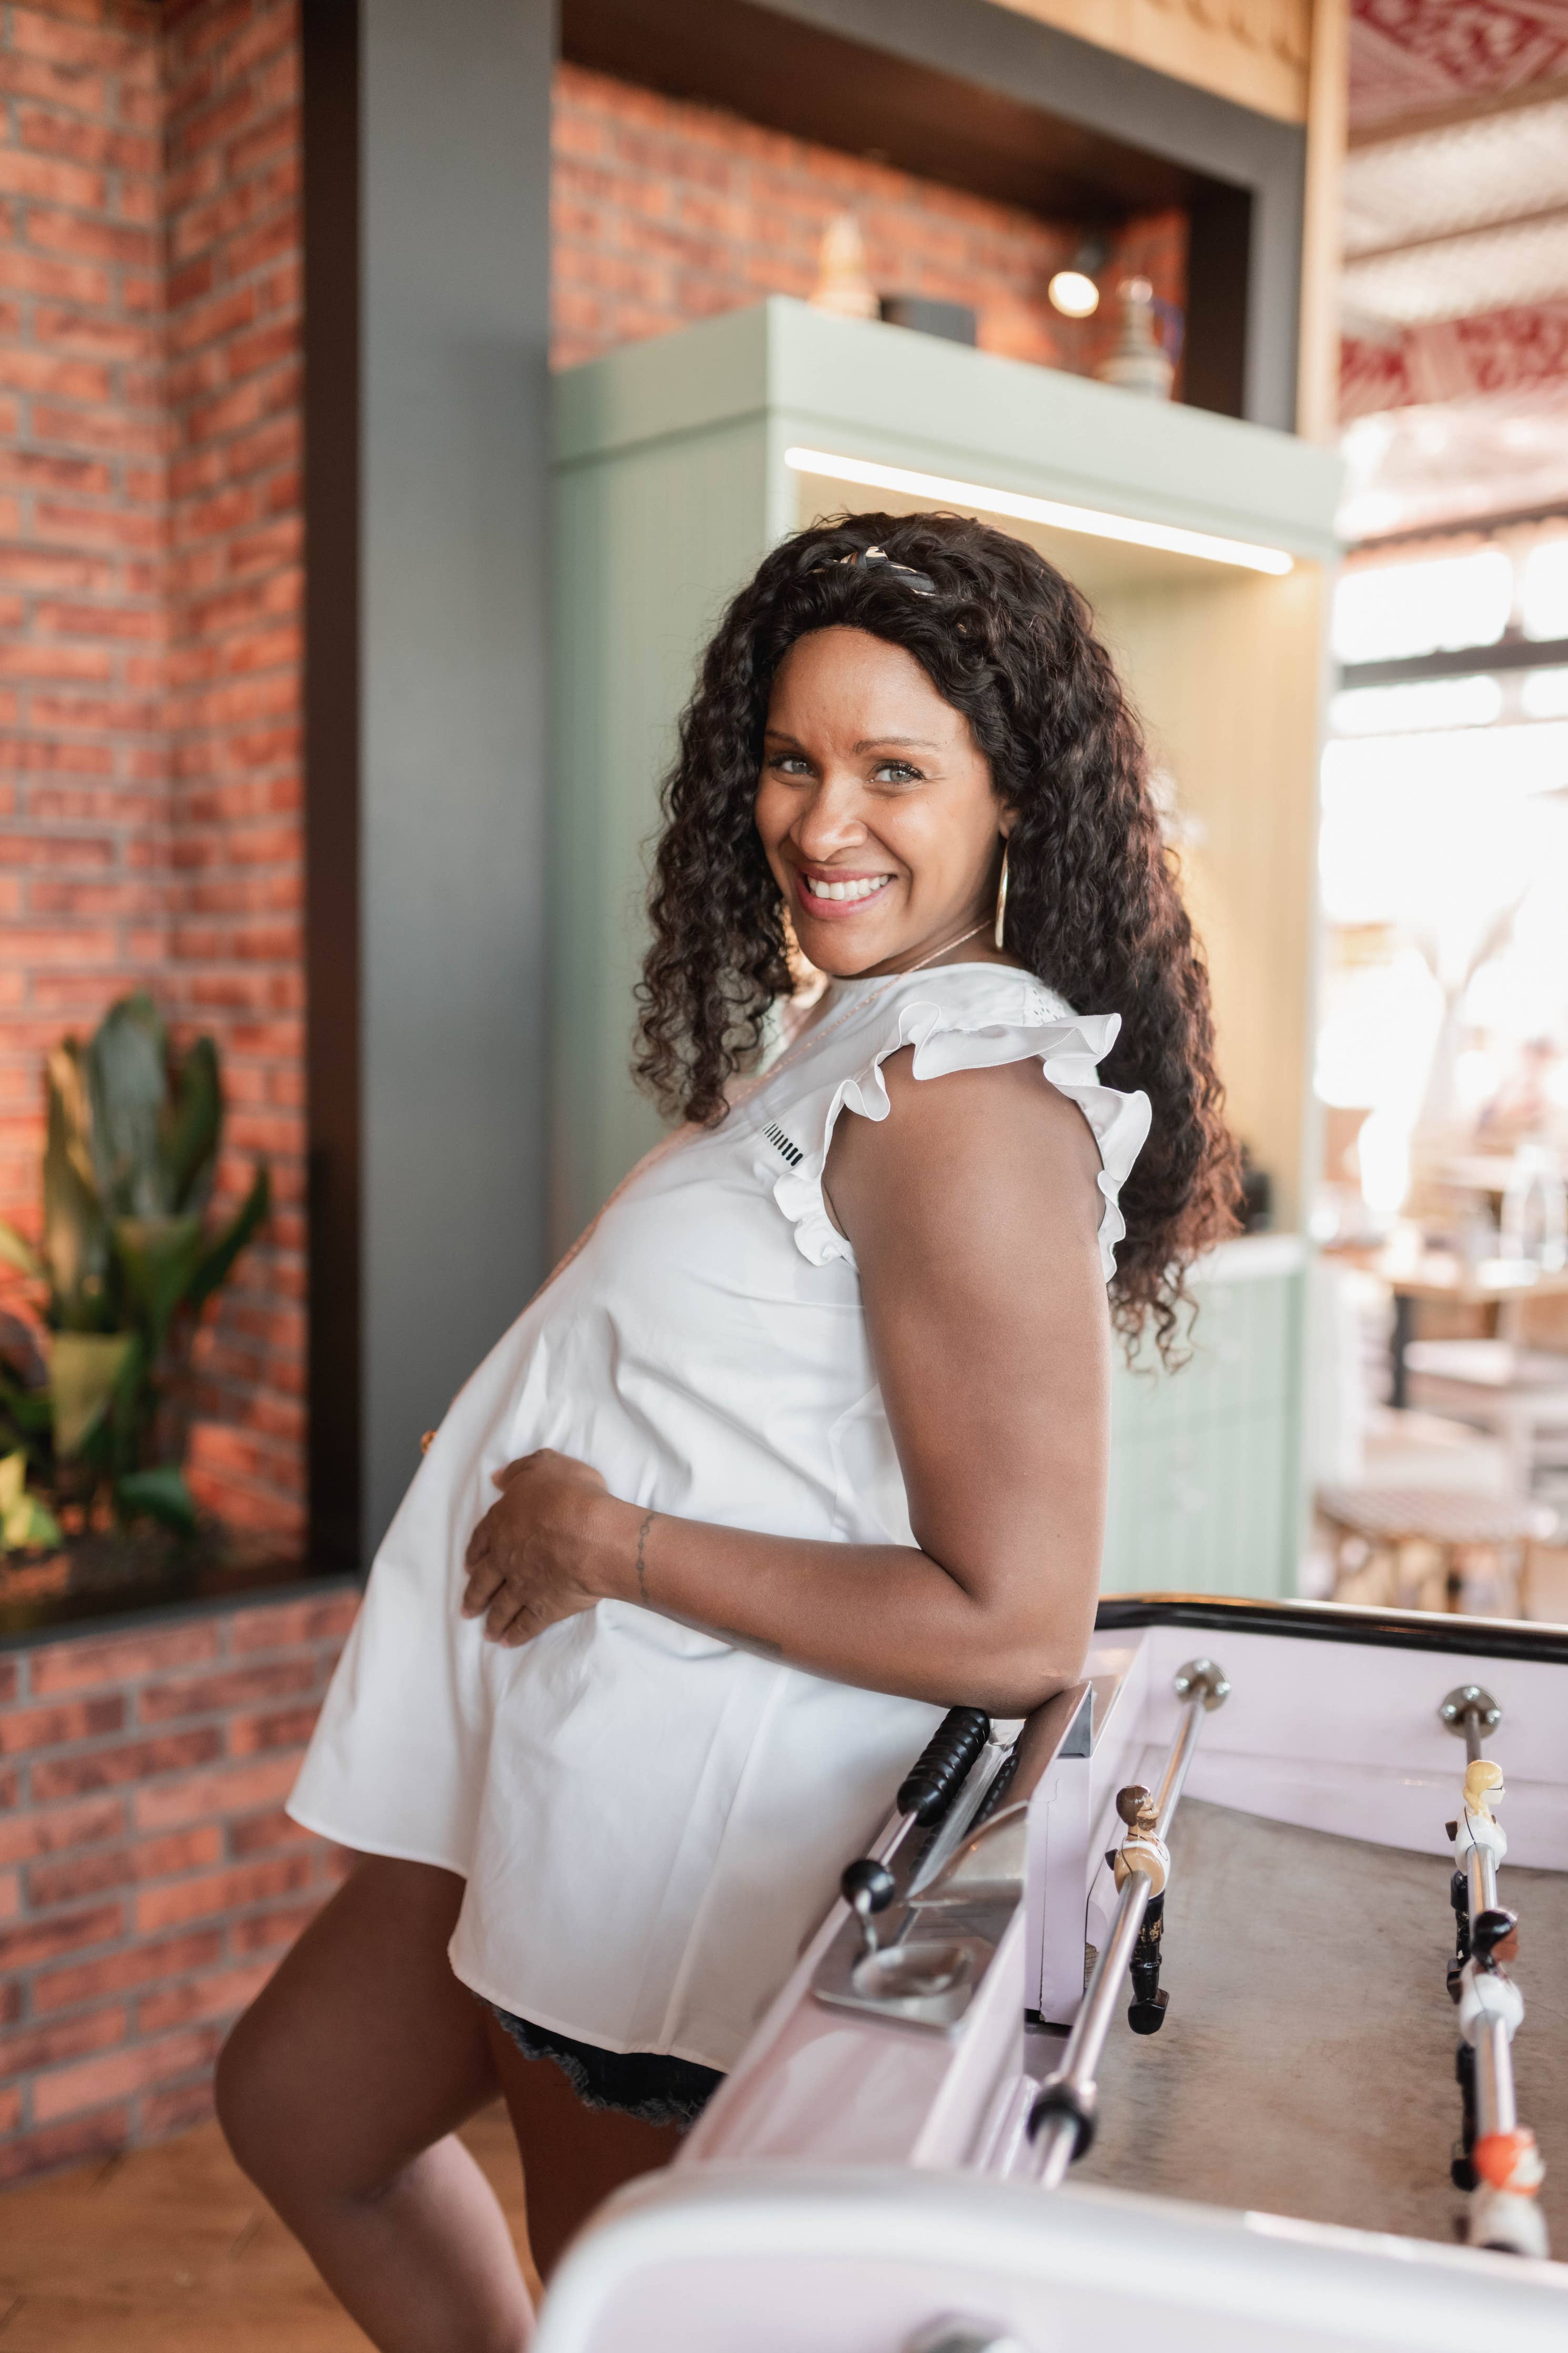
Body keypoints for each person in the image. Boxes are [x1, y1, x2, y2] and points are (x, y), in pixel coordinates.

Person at [215, 513, 1237, 2349]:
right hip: (572, 1775)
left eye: (896, 771)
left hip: (682, 1855)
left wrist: (605, 1542)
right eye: (791, 760)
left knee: (617, 2305)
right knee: (302, 2102)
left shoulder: (963, 1101)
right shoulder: (857, 1035)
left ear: (1012, 795)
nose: (824, 822)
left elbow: (1017, 1624)